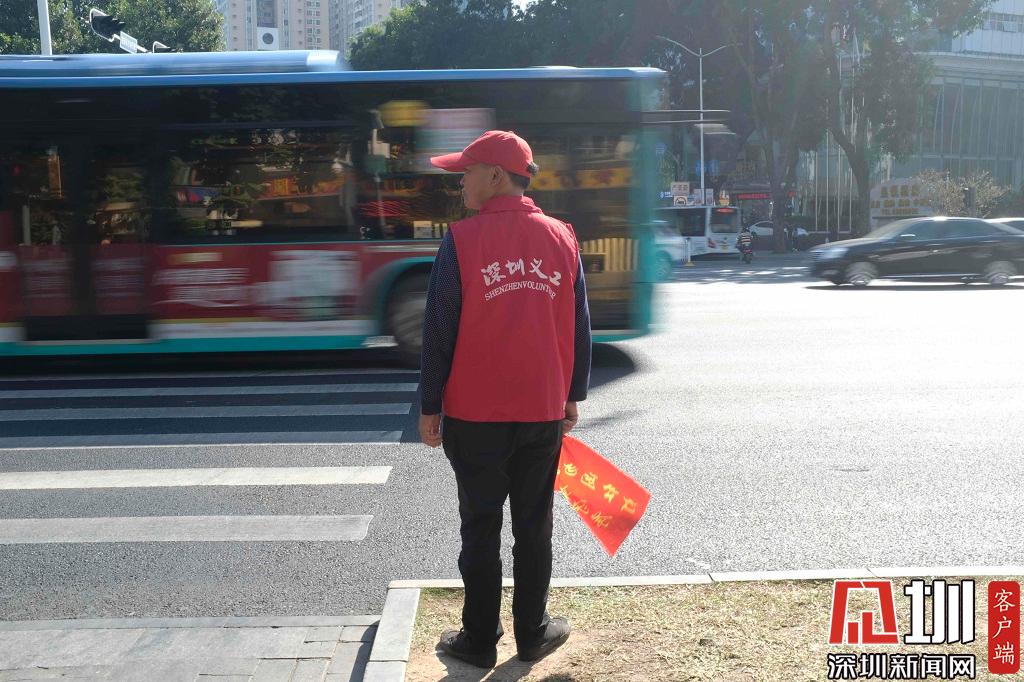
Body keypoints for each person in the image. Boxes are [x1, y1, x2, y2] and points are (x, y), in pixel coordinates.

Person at [418, 130, 592, 669]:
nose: (460, 182)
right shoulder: (562, 237)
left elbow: (439, 329)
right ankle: (532, 632)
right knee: (534, 525)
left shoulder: (461, 240)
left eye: (465, 172)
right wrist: (572, 394)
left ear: (495, 175)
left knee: (480, 525)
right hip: (542, 410)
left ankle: (477, 639)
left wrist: (429, 406)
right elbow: (579, 325)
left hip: (474, 416)